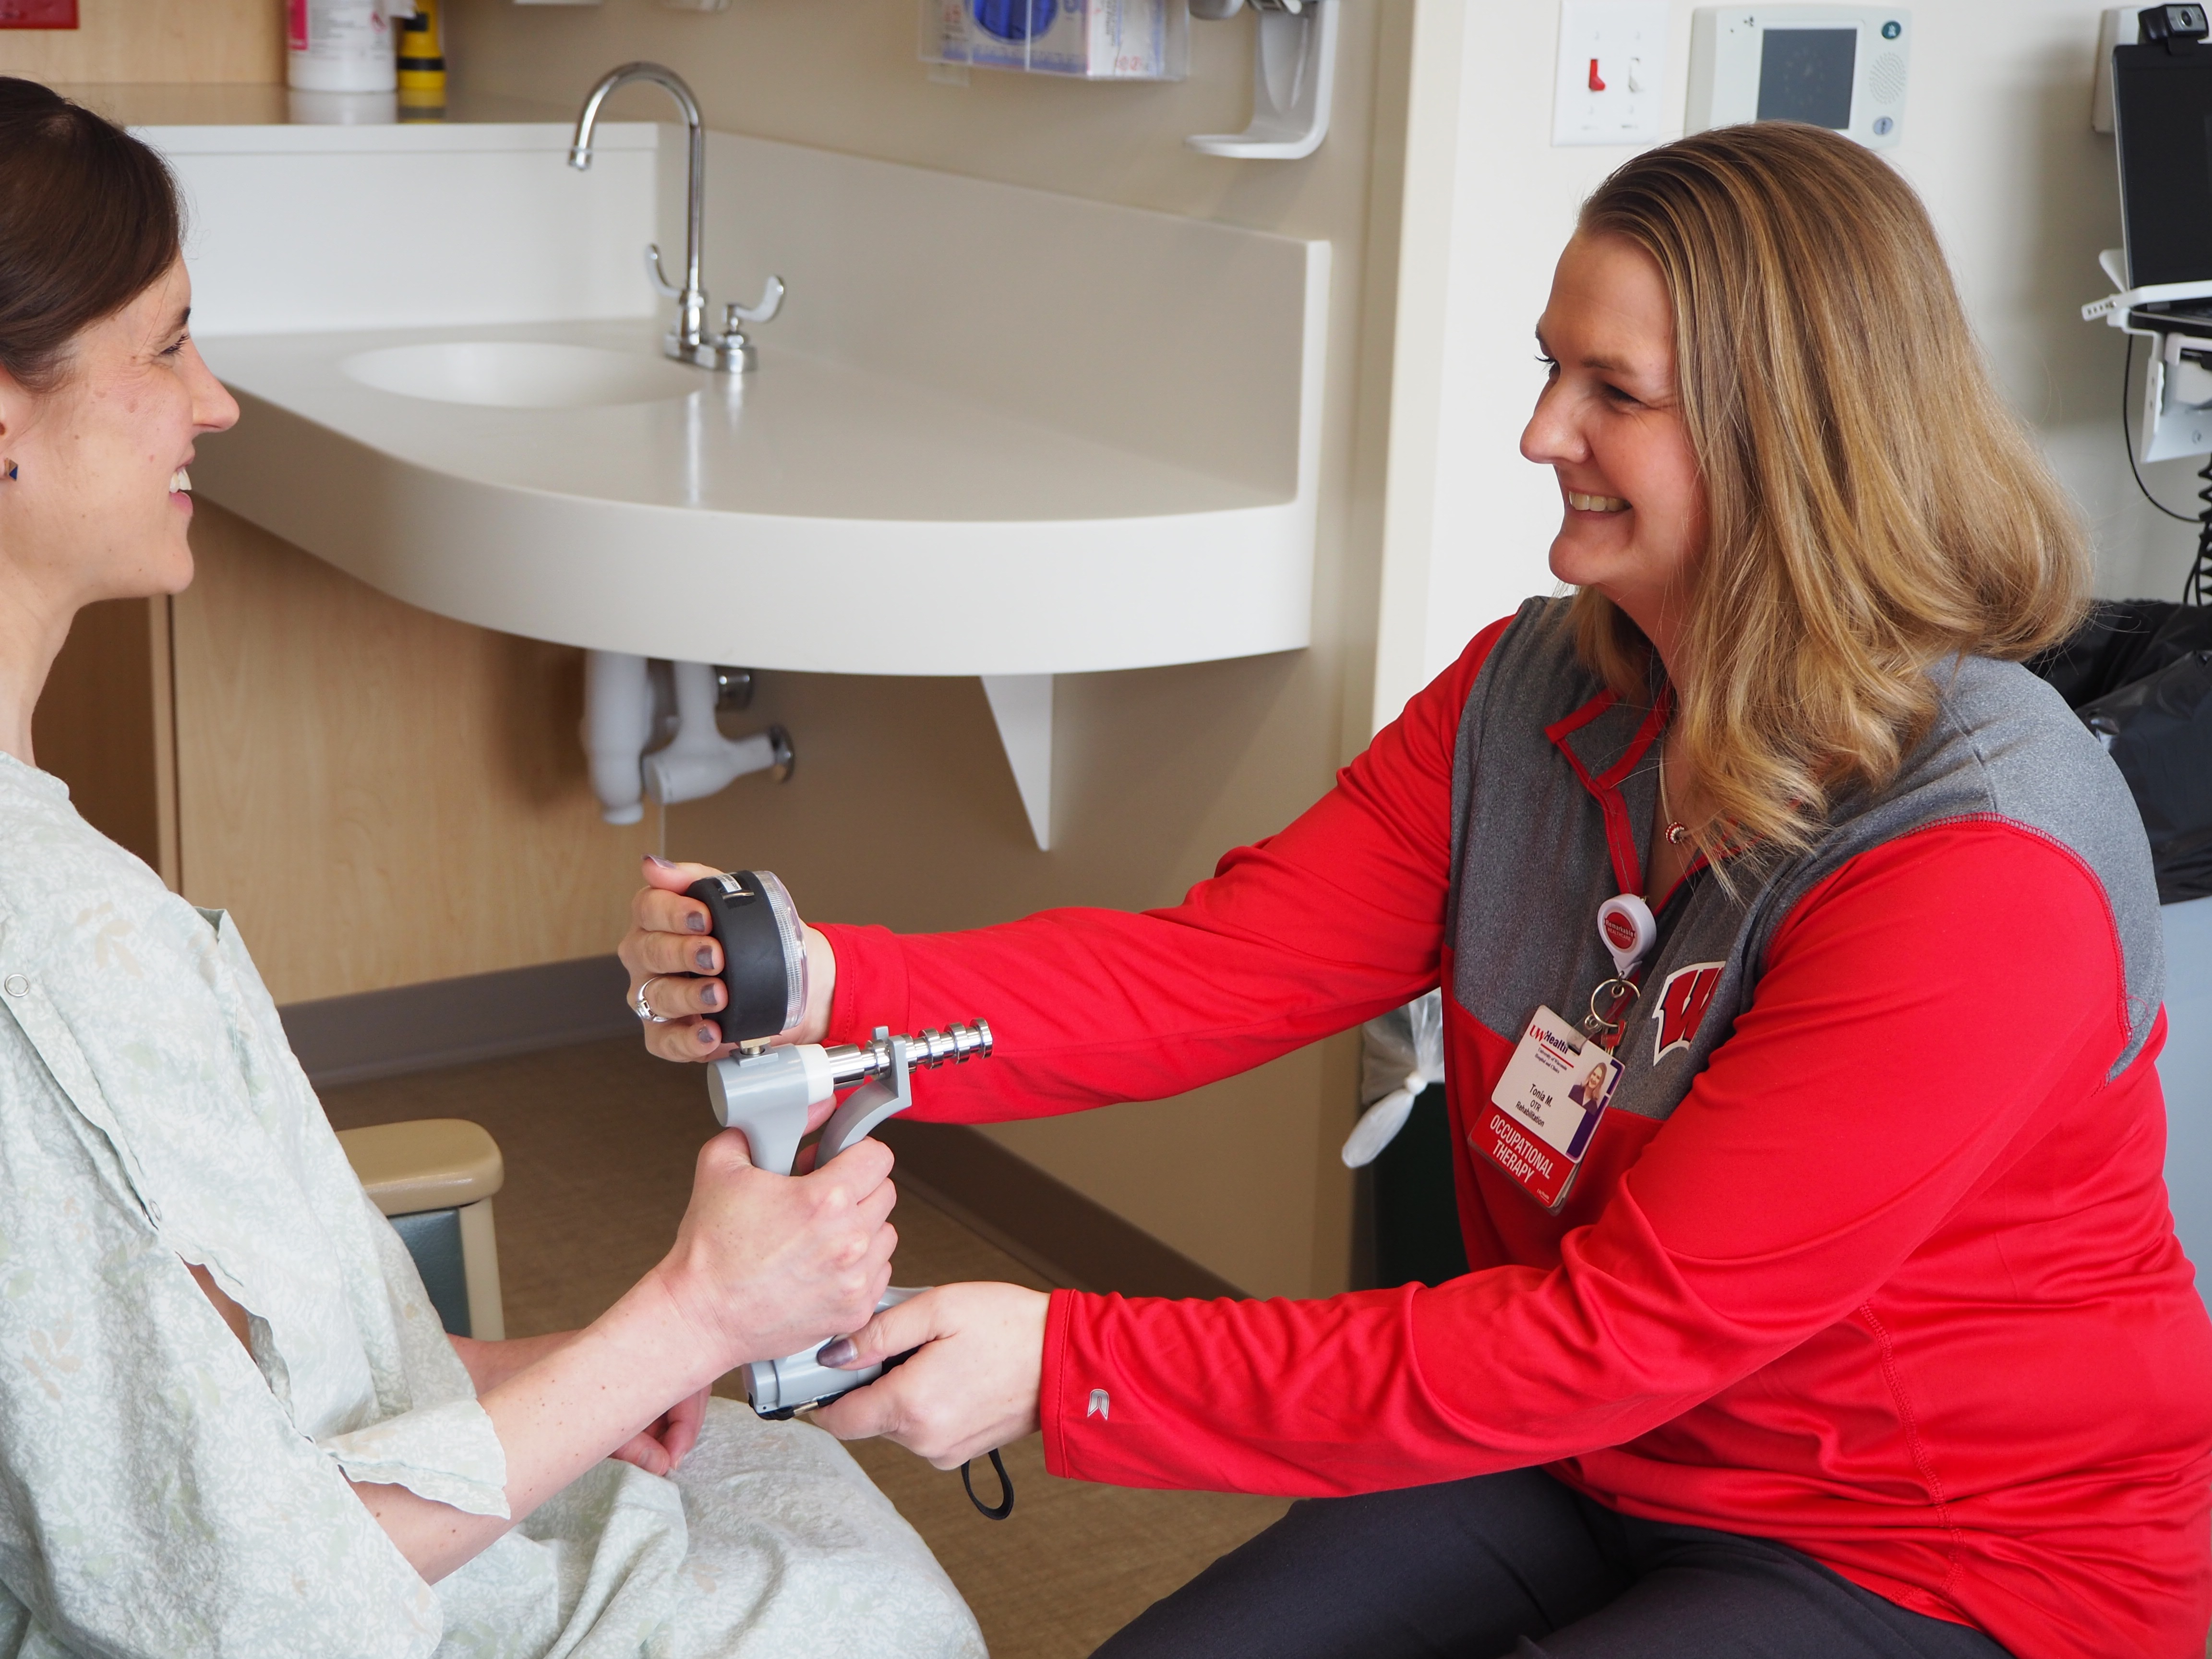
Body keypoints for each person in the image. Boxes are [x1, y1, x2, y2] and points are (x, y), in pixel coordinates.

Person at [624, 123, 2212, 1659]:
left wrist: (1071, 1362)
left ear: (1792, 442)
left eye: (1613, 394)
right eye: (1550, 368)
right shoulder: (1536, 698)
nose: (1541, 433)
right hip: (1593, 1457)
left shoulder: (1978, 869)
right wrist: (824, 986)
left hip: (1941, 1548)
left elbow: (1620, 1335)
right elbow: (1215, 973)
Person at [0, 79, 983, 1658]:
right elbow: (240, 1607)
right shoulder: (53, 963)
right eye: (168, 347)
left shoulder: (59, 896)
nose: (216, 404)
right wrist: (693, 1313)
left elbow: (184, 1379)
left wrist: (557, 1372)